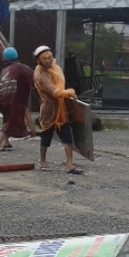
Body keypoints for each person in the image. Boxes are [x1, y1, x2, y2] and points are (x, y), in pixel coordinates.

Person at [32, 45, 82, 174]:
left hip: (61, 108)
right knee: (46, 136)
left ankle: (70, 164)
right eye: (44, 59)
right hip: (48, 110)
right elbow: (55, 92)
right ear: (39, 60)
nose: (47, 60)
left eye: (49, 57)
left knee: (67, 135)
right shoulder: (40, 75)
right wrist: (70, 92)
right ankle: (43, 160)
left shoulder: (55, 68)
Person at [0, 47, 34, 151]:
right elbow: (33, 75)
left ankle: (6, 142)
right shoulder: (19, 67)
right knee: (11, 121)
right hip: (13, 98)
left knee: (7, 119)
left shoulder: (4, 70)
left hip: (1, 97)